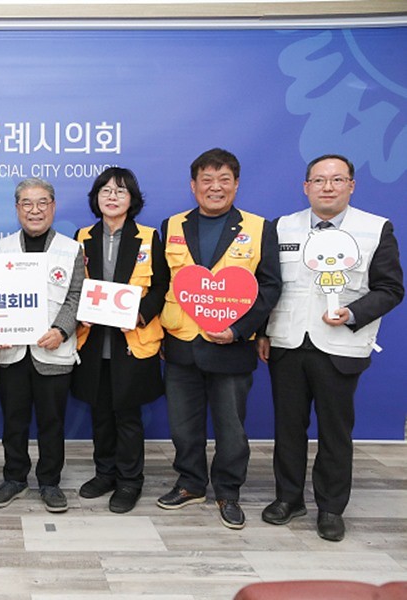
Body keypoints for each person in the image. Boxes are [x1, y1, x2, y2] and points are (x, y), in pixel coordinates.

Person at [258, 154, 403, 542]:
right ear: (305, 187)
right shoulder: (281, 227)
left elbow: (390, 289)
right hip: (287, 342)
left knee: (335, 432)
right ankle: (288, 498)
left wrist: (353, 313)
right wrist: (262, 332)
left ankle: (331, 508)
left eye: (337, 179)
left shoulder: (375, 228)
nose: (327, 186)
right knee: (288, 428)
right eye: (319, 180)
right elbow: (269, 285)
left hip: (341, 346)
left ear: (351, 186)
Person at [157, 148, 281, 529]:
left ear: (236, 184)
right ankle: (190, 483)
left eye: (224, 179)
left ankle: (228, 491)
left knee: (231, 429)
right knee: (183, 426)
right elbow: (162, 282)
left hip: (231, 346)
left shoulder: (259, 228)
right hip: (181, 345)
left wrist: (239, 330)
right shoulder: (171, 225)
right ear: (193, 185)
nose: (215, 187)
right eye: (207, 180)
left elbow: (270, 287)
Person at [71, 167, 169, 513]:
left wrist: (141, 313)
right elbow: (74, 286)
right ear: (96, 198)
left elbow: (162, 285)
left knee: (127, 415)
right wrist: (78, 313)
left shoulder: (148, 237)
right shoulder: (82, 236)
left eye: (120, 191)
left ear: (132, 199)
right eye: (106, 191)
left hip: (132, 340)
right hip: (94, 341)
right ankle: (105, 473)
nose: (112, 197)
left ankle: (129, 481)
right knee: (100, 413)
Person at [0, 178, 83, 513]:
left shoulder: (71, 249)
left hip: (53, 350)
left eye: (42, 202)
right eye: (27, 203)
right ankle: (14, 478)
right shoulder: (0, 248)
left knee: (52, 422)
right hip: (11, 352)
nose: (35, 210)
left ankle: (50, 482)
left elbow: (75, 295)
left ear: (53, 207)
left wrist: (61, 330)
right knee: (13, 420)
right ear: (17, 209)